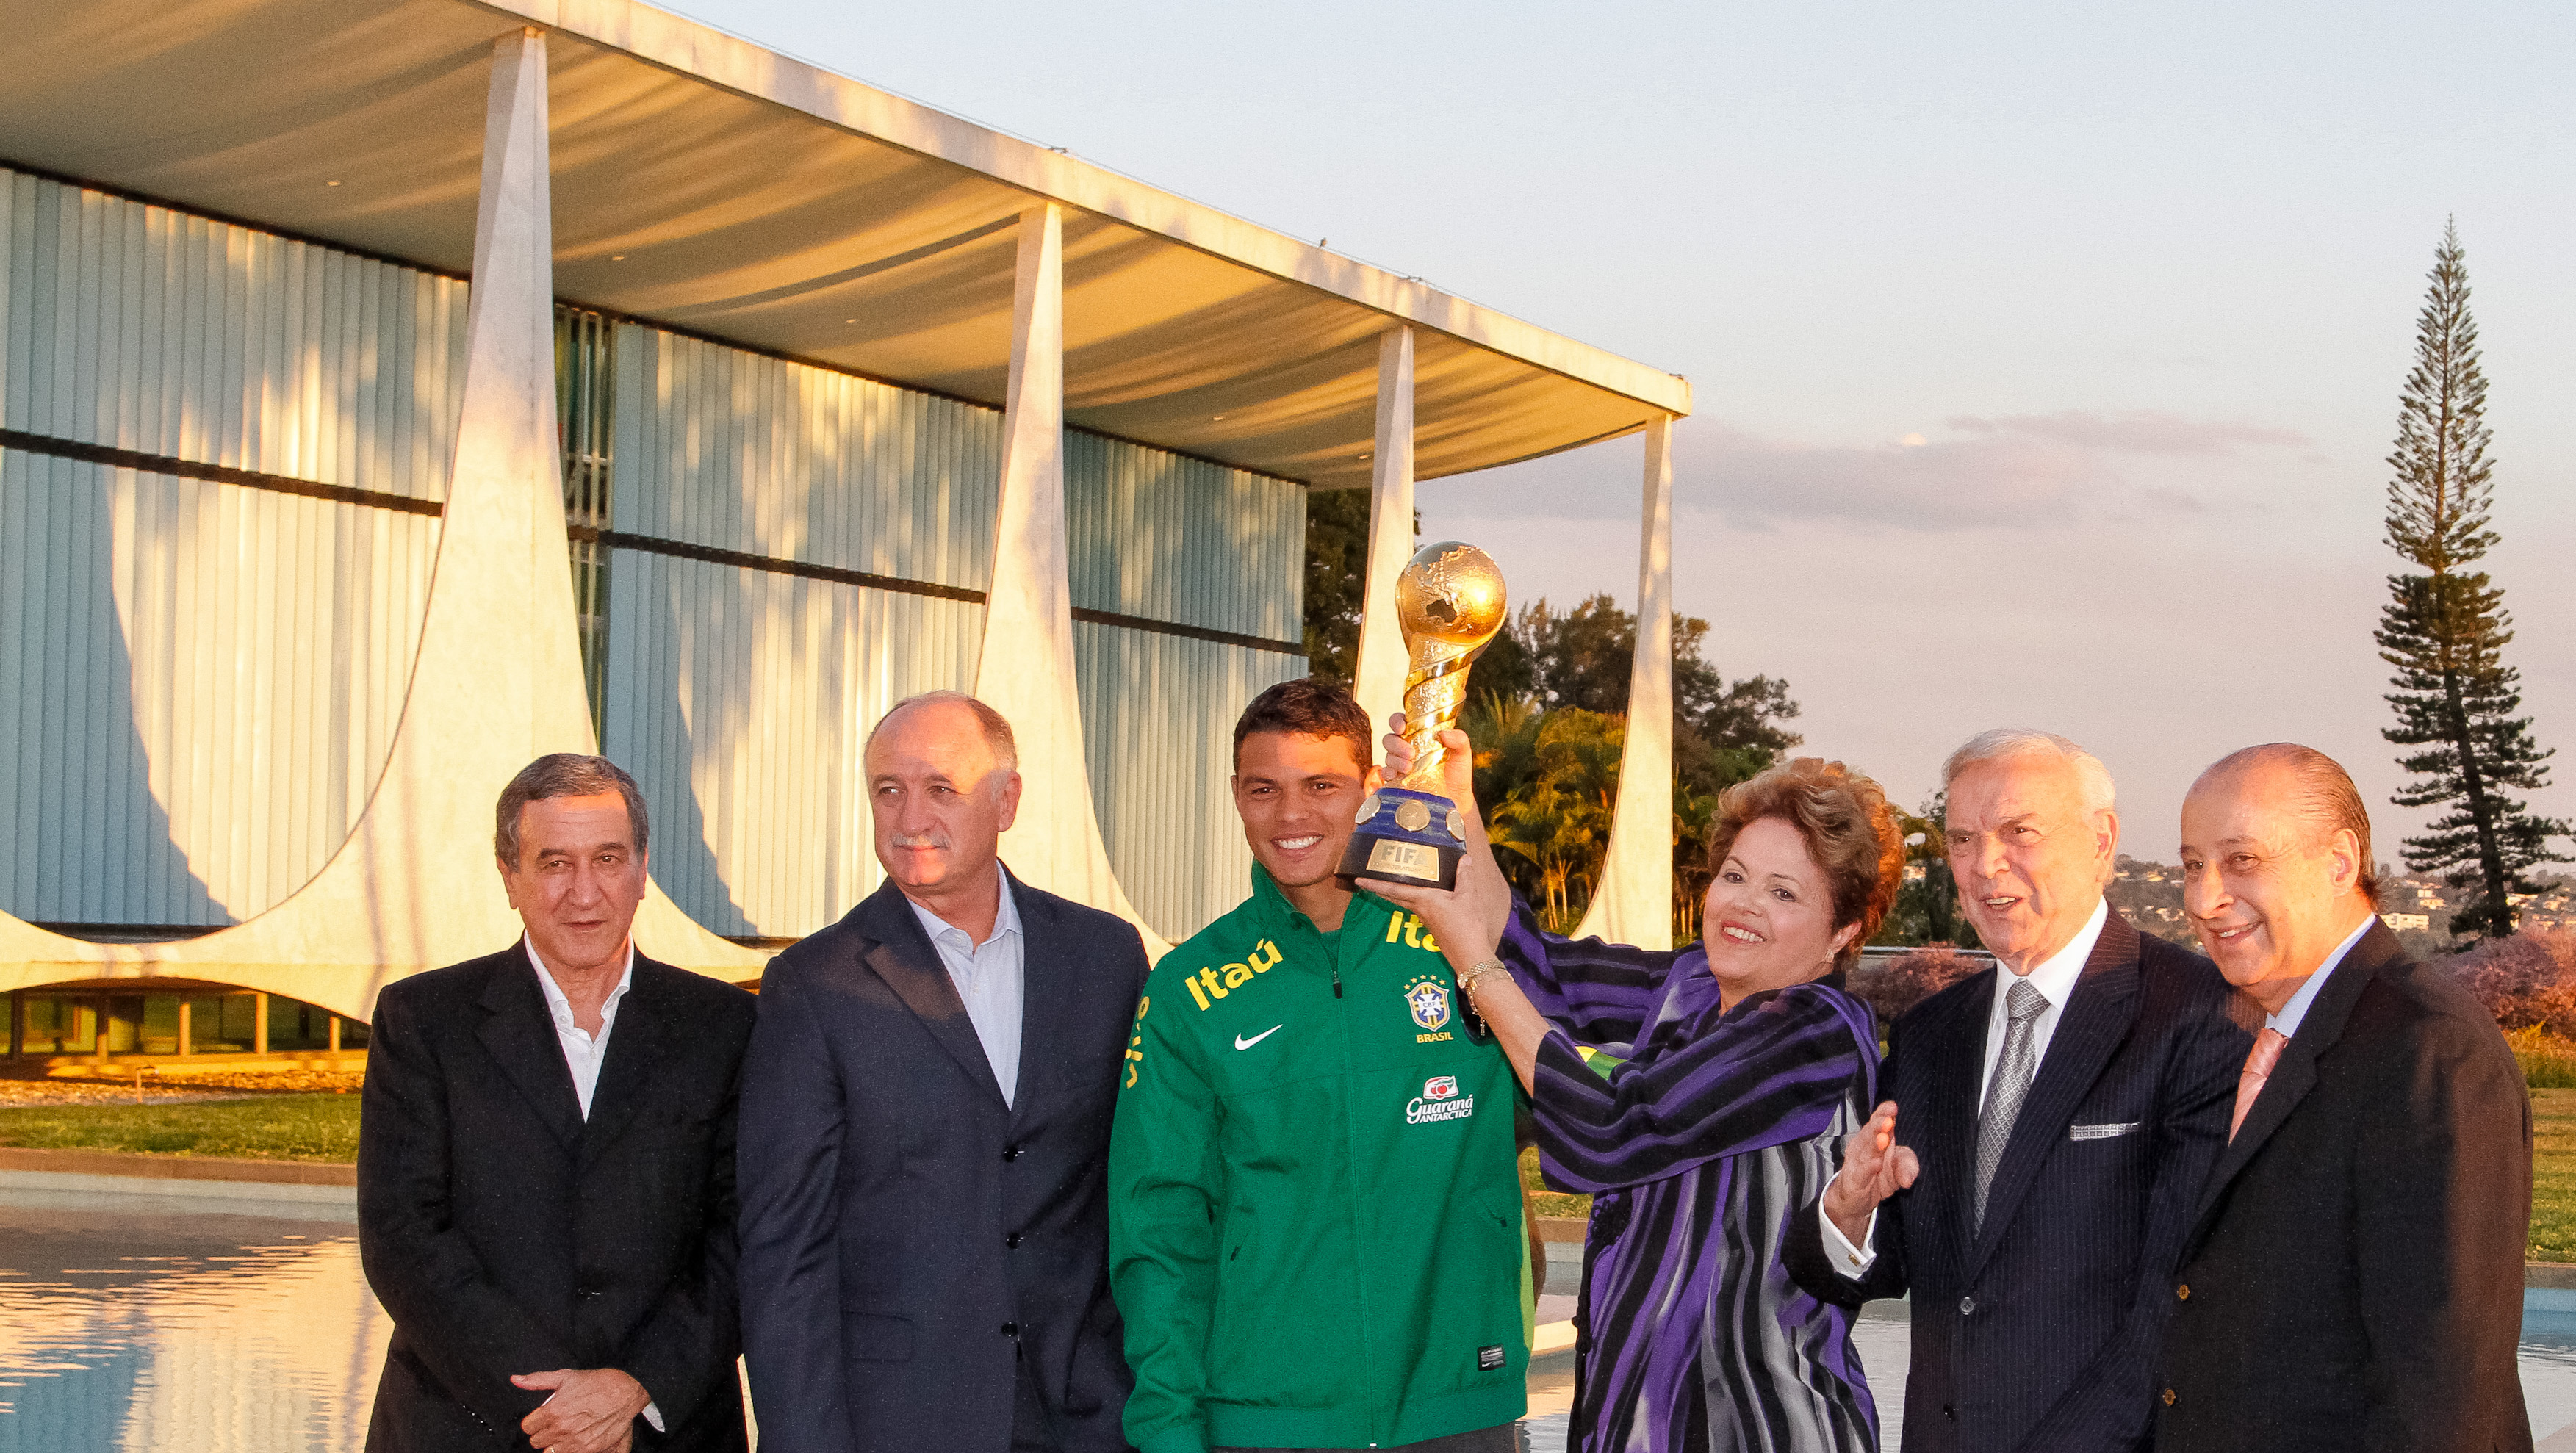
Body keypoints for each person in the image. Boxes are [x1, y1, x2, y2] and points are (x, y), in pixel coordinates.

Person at [1377, 738, 1902, 1453]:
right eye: (1733, 875)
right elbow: (1540, 968)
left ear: (1840, 932)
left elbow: (1614, 1126)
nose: (1743, 904)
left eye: (1783, 892)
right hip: (1630, 1422)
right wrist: (1456, 806)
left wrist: (1468, 960)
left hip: (1754, 1428)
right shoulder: (1688, 986)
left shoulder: (1812, 1034)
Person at [1781, 729, 2247, 1453]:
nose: (1983, 865)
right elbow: (1892, 1270)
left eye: (2017, 832)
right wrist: (1847, 1211)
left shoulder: (2199, 1016)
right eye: (1961, 840)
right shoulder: (1931, 1034)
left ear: (2100, 841)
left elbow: (2179, 1309)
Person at [1109, 679, 1527, 1453]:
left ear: (1373, 786)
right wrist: (1168, 1431)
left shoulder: (1462, 947)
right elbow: (1159, 1229)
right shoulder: (1188, 989)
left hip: (1456, 1404)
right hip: (1266, 1414)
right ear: (1235, 795)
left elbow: (1583, 1094)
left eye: (1321, 786)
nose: (1291, 816)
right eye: (1263, 789)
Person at [737, 691, 1150, 1453]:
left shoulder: (1105, 957)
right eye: (886, 789)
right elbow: (783, 1249)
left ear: (1007, 799)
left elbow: (1140, 1186)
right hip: (902, 1418)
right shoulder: (812, 984)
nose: (908, 816)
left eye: (940, 788)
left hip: (1089, 1414)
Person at [359, 753, 756, 1453]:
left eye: (607, 859)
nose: (584, 892)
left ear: (642, 871)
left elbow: (747, 1233)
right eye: (553, 863)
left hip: (665, 1428)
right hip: (466, 1428)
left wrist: (635, 1387)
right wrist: (561, 1410)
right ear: (509, 878)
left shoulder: (726, 1028)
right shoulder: (423, 1020)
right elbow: (404, 1240)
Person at [2154, 743, 2530, 1452]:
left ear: (2340, 861)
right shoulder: (2270, 1033)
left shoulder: (2427, 1049)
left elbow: (2443, 1384)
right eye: (2193, 865)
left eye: (2242, 861)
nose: (2204, 900)